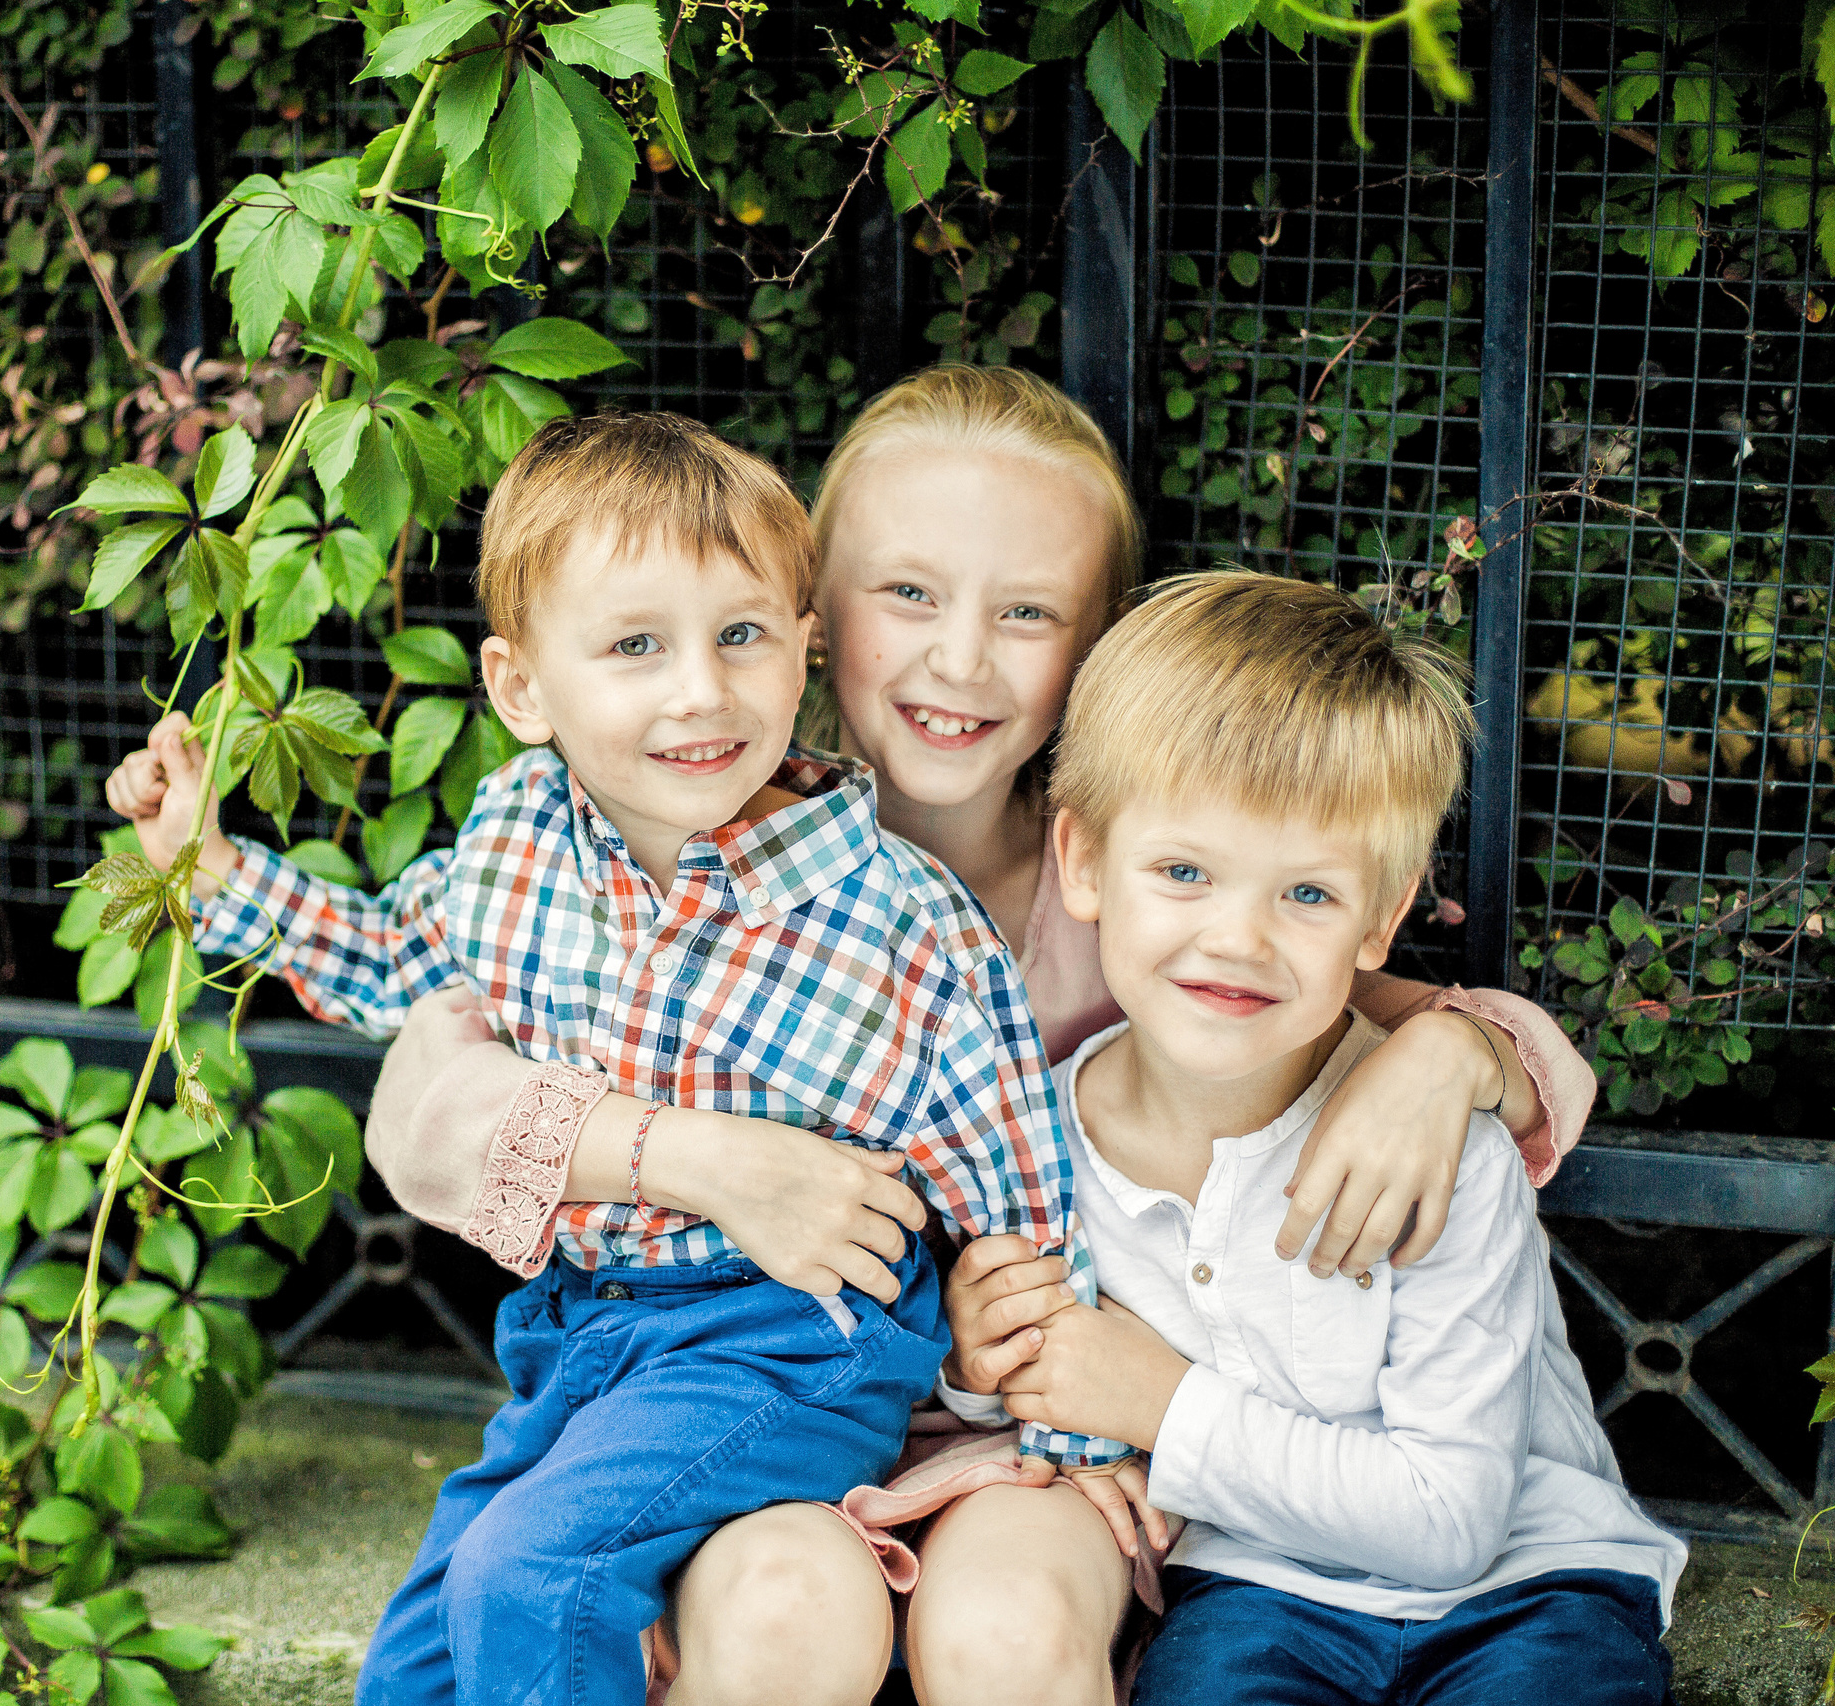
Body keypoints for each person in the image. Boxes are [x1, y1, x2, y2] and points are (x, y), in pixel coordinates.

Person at [292, 368, 1594, 1704]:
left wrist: (1453, 1058)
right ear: (810, 613)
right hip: (741, 1415)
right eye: (907, 593)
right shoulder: (648, 846)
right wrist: (700, 1157)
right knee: (774, 1602)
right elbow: (427, 1110)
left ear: (1093, 651)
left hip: (1033, 1435)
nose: (960, 660)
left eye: (1027, 613)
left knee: (1010, 1621)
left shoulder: (1145, 899)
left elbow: (1423, 1023)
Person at [107, 409, 1126, 1706]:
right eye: (637, 645)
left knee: (532, 1575)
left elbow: (1020, 1192)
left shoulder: (898, 920)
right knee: (425, 1649)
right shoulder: (518, 840)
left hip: (786, 1334)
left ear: (801, 646)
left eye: (740, 635)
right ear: (520, 689)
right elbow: (392, 961)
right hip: (582, 1328)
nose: (700, 688)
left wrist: (1064, 1428)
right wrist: (213, 872)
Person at [940, 571, 1682, 1706]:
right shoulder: (1036, 1143)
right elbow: (1047, 1389)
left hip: (1529, 1585)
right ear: (1083, 861)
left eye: (1307, 895)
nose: (1237, 937)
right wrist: (977, 1363)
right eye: (1184, 872)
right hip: (1251, 1589)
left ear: (1382, 915)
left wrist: (1163, 1405)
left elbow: (1449, 1526)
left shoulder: (1435, 1153)